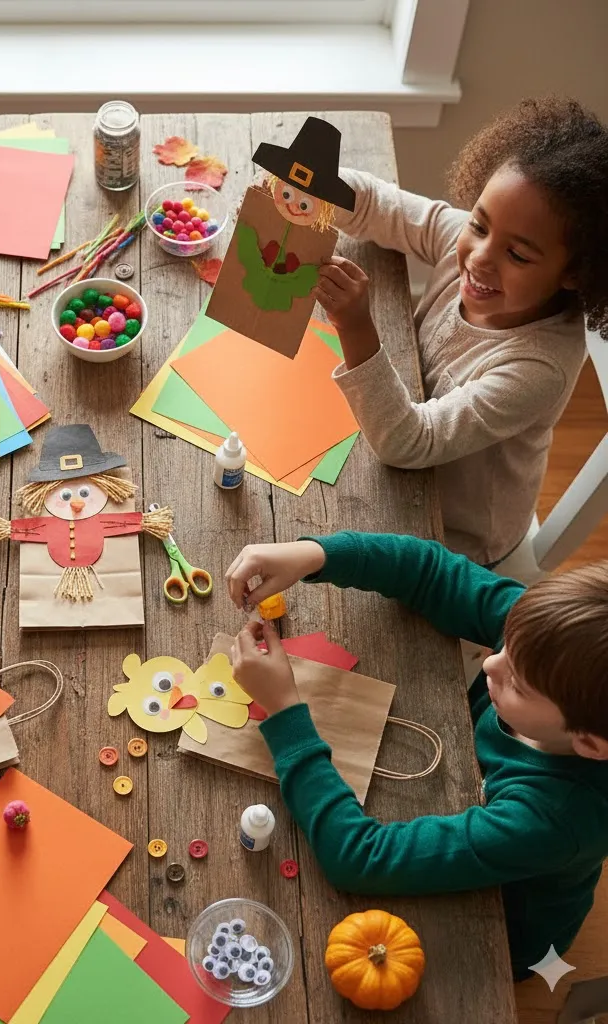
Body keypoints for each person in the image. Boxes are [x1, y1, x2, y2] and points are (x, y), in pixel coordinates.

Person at [225, 535, 608, 980]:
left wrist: (286, 712)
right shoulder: (549, 645)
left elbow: (357, 858)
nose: (489, 665)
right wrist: (316, 555)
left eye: (517, 685)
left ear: (591, 746)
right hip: (474, 800)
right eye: (503, 647)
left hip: (505, 929)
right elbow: (431, 571)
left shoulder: (557, 820)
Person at [310, 97, 608, 567]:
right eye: (479, 224)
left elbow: (409, 443)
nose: (480, 256)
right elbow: (385, 207)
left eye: (519, 255)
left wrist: (355, 324)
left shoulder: (538, 367)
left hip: (454, 537)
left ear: (575, 272)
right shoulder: (473, 247)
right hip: (394, 439)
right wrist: (323, 187)